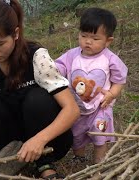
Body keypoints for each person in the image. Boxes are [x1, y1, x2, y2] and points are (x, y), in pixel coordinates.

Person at [0, 0, 80, 179]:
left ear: (15, 33)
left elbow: (72, 110)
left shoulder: (36, 57)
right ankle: (5, 162)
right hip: (8, 140)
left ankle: (45, 164)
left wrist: (40, 139)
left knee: (38, 98)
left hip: (48, 139)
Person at [55, 7, 128, 164]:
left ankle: (98, 162)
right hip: (76, 107)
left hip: (100, 107)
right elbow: (59, 67)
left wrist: (112, 94)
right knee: (76, 135)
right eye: (83, 36)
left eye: (95, 39)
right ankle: (79, 157)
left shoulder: (110, 59)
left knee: (100, 134)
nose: (88, 41)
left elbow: (119, 79)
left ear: (108, 41)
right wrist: (52, 69)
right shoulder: (72, 55)